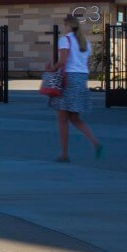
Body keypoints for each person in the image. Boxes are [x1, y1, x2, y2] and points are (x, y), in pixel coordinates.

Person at [48, 16, 102, 162]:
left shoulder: (65, 40)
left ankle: (64, 154)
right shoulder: (86, 43)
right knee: (75, 118)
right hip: (81, 80)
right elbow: (87, 64)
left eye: (64, 25)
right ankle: (95, 142)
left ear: (67, 25)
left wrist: (51, 69)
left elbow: (63, 61)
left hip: (68, 80)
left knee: (62, 120)